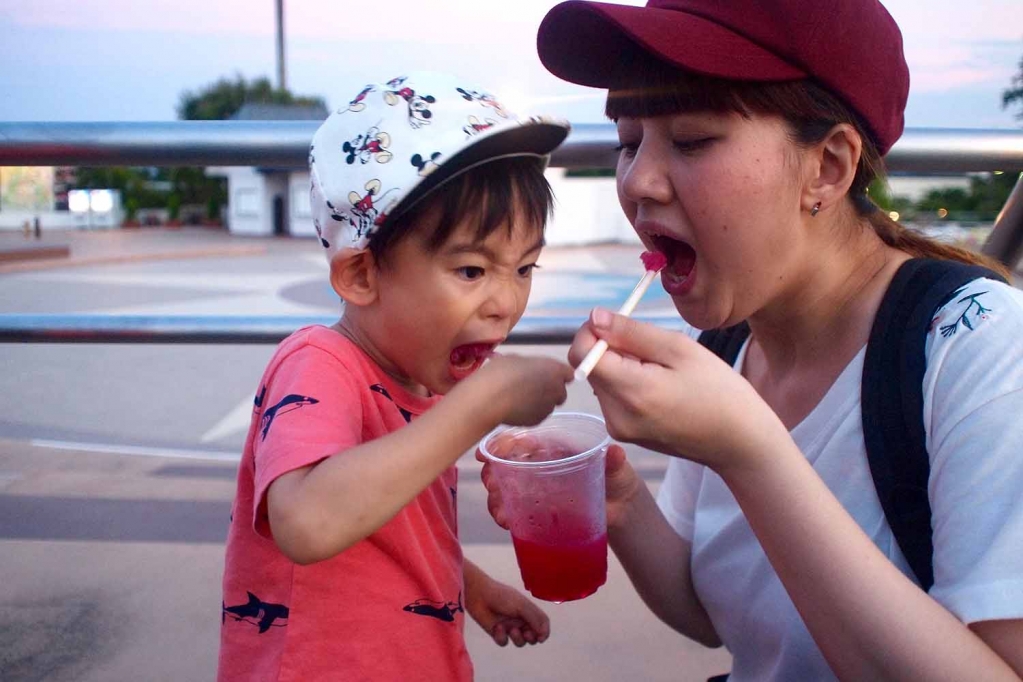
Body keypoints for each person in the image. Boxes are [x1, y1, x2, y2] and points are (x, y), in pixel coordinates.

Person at [479, 1, 1023, 679]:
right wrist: (619, 502)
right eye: (627, 140)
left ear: (826, 166)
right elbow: (708, 612)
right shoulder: (729, 346)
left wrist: (750, 454)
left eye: (691, 141)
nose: (638, 182)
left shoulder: (977, 349)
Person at [218, 71, 575, 681]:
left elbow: (384, 522)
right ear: (361, 275)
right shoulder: (320, 364)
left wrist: (467, 584)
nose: (505, 302)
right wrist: (481, 406)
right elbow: (307, 521)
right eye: (471, 270)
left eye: (523, 268)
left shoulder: (422, 380)